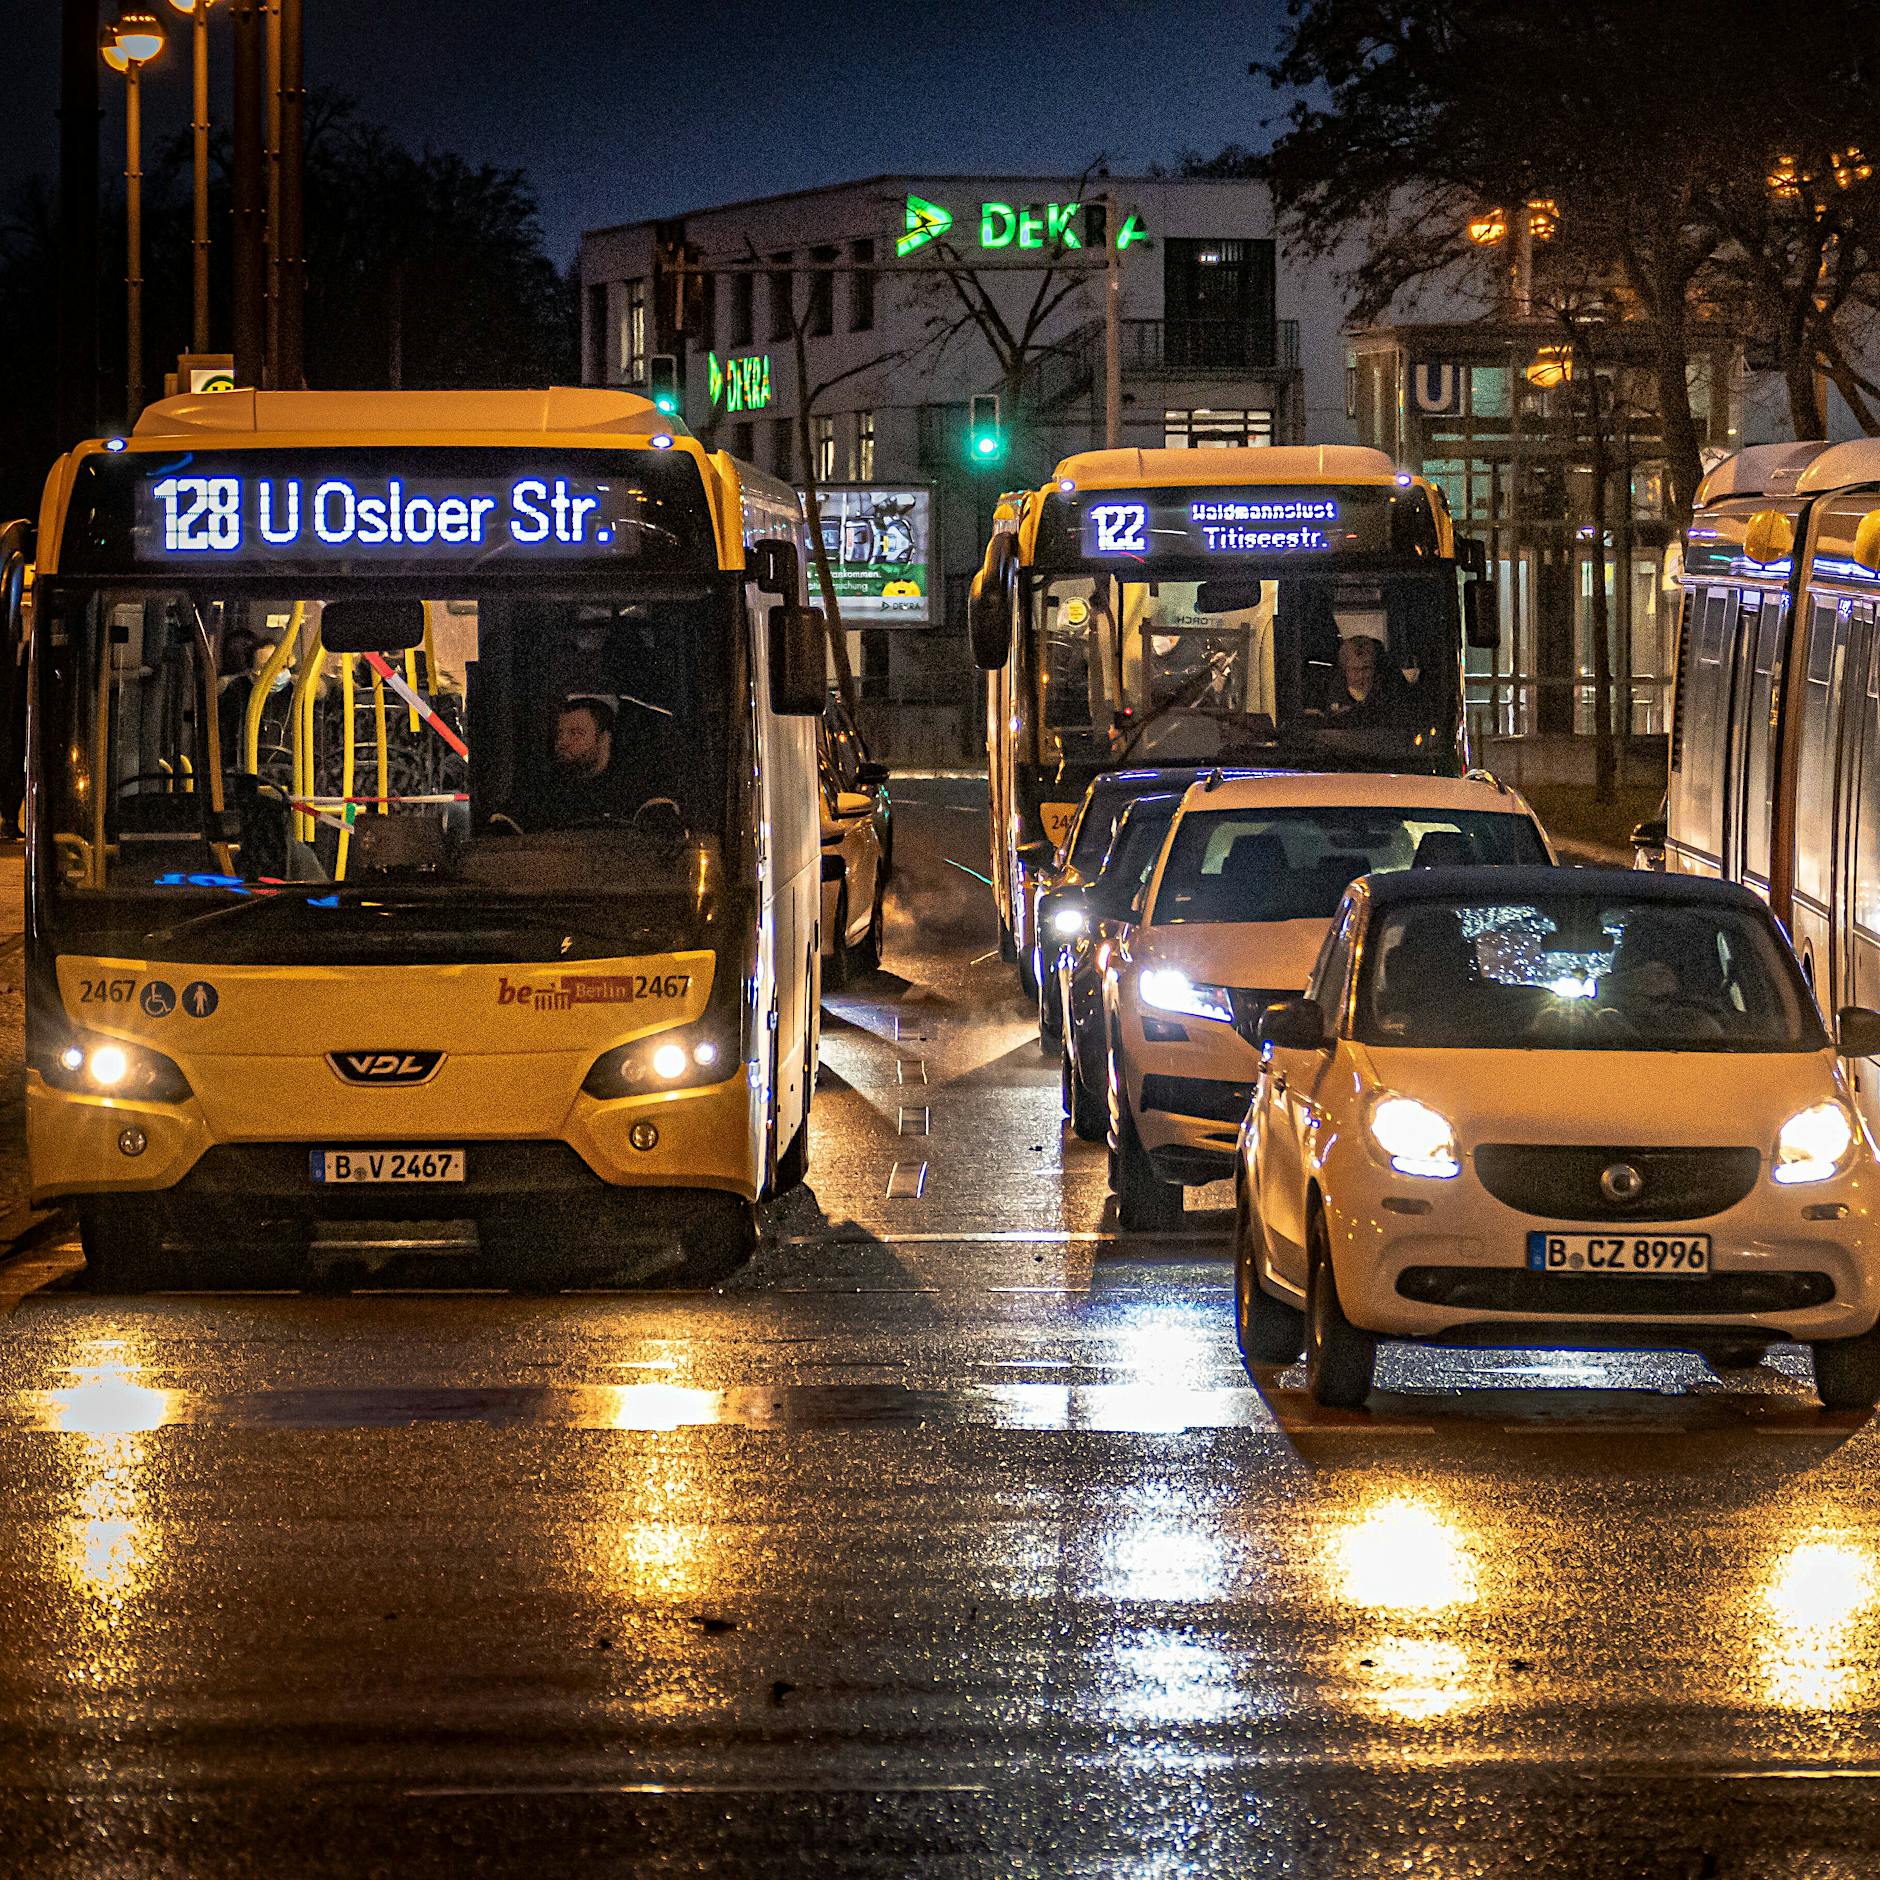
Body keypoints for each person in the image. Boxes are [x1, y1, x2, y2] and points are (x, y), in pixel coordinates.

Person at [542, 696, 623, 827]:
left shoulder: (626, 789)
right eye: (560, 734)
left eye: (576, 733)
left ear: (604, 739)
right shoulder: (549, 789)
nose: (562, 742)